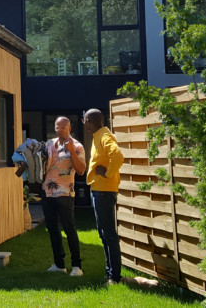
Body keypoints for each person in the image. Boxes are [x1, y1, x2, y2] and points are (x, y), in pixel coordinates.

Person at [41, 116, 86, 276]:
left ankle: (76, 266)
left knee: (69, 228)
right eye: (57, 127)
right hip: (48, 192)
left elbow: (81, 170)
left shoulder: (77, 146)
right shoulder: (49, 144)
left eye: (63, 127)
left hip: (65, 193)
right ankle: (59, 264)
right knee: (52, 229)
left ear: (69, 128)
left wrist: (71, 150)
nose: (60, 130)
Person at [84, 108, 123, 284]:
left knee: (109, 234)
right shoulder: (98, 136)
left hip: (104, 192)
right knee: (103, 234)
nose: (84, 124)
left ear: (89, 121)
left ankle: (115, 276)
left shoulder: (104, 136)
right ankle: (109, 273)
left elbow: (118, 156)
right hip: (98, 190)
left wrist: (107, 173)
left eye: (84, 121)